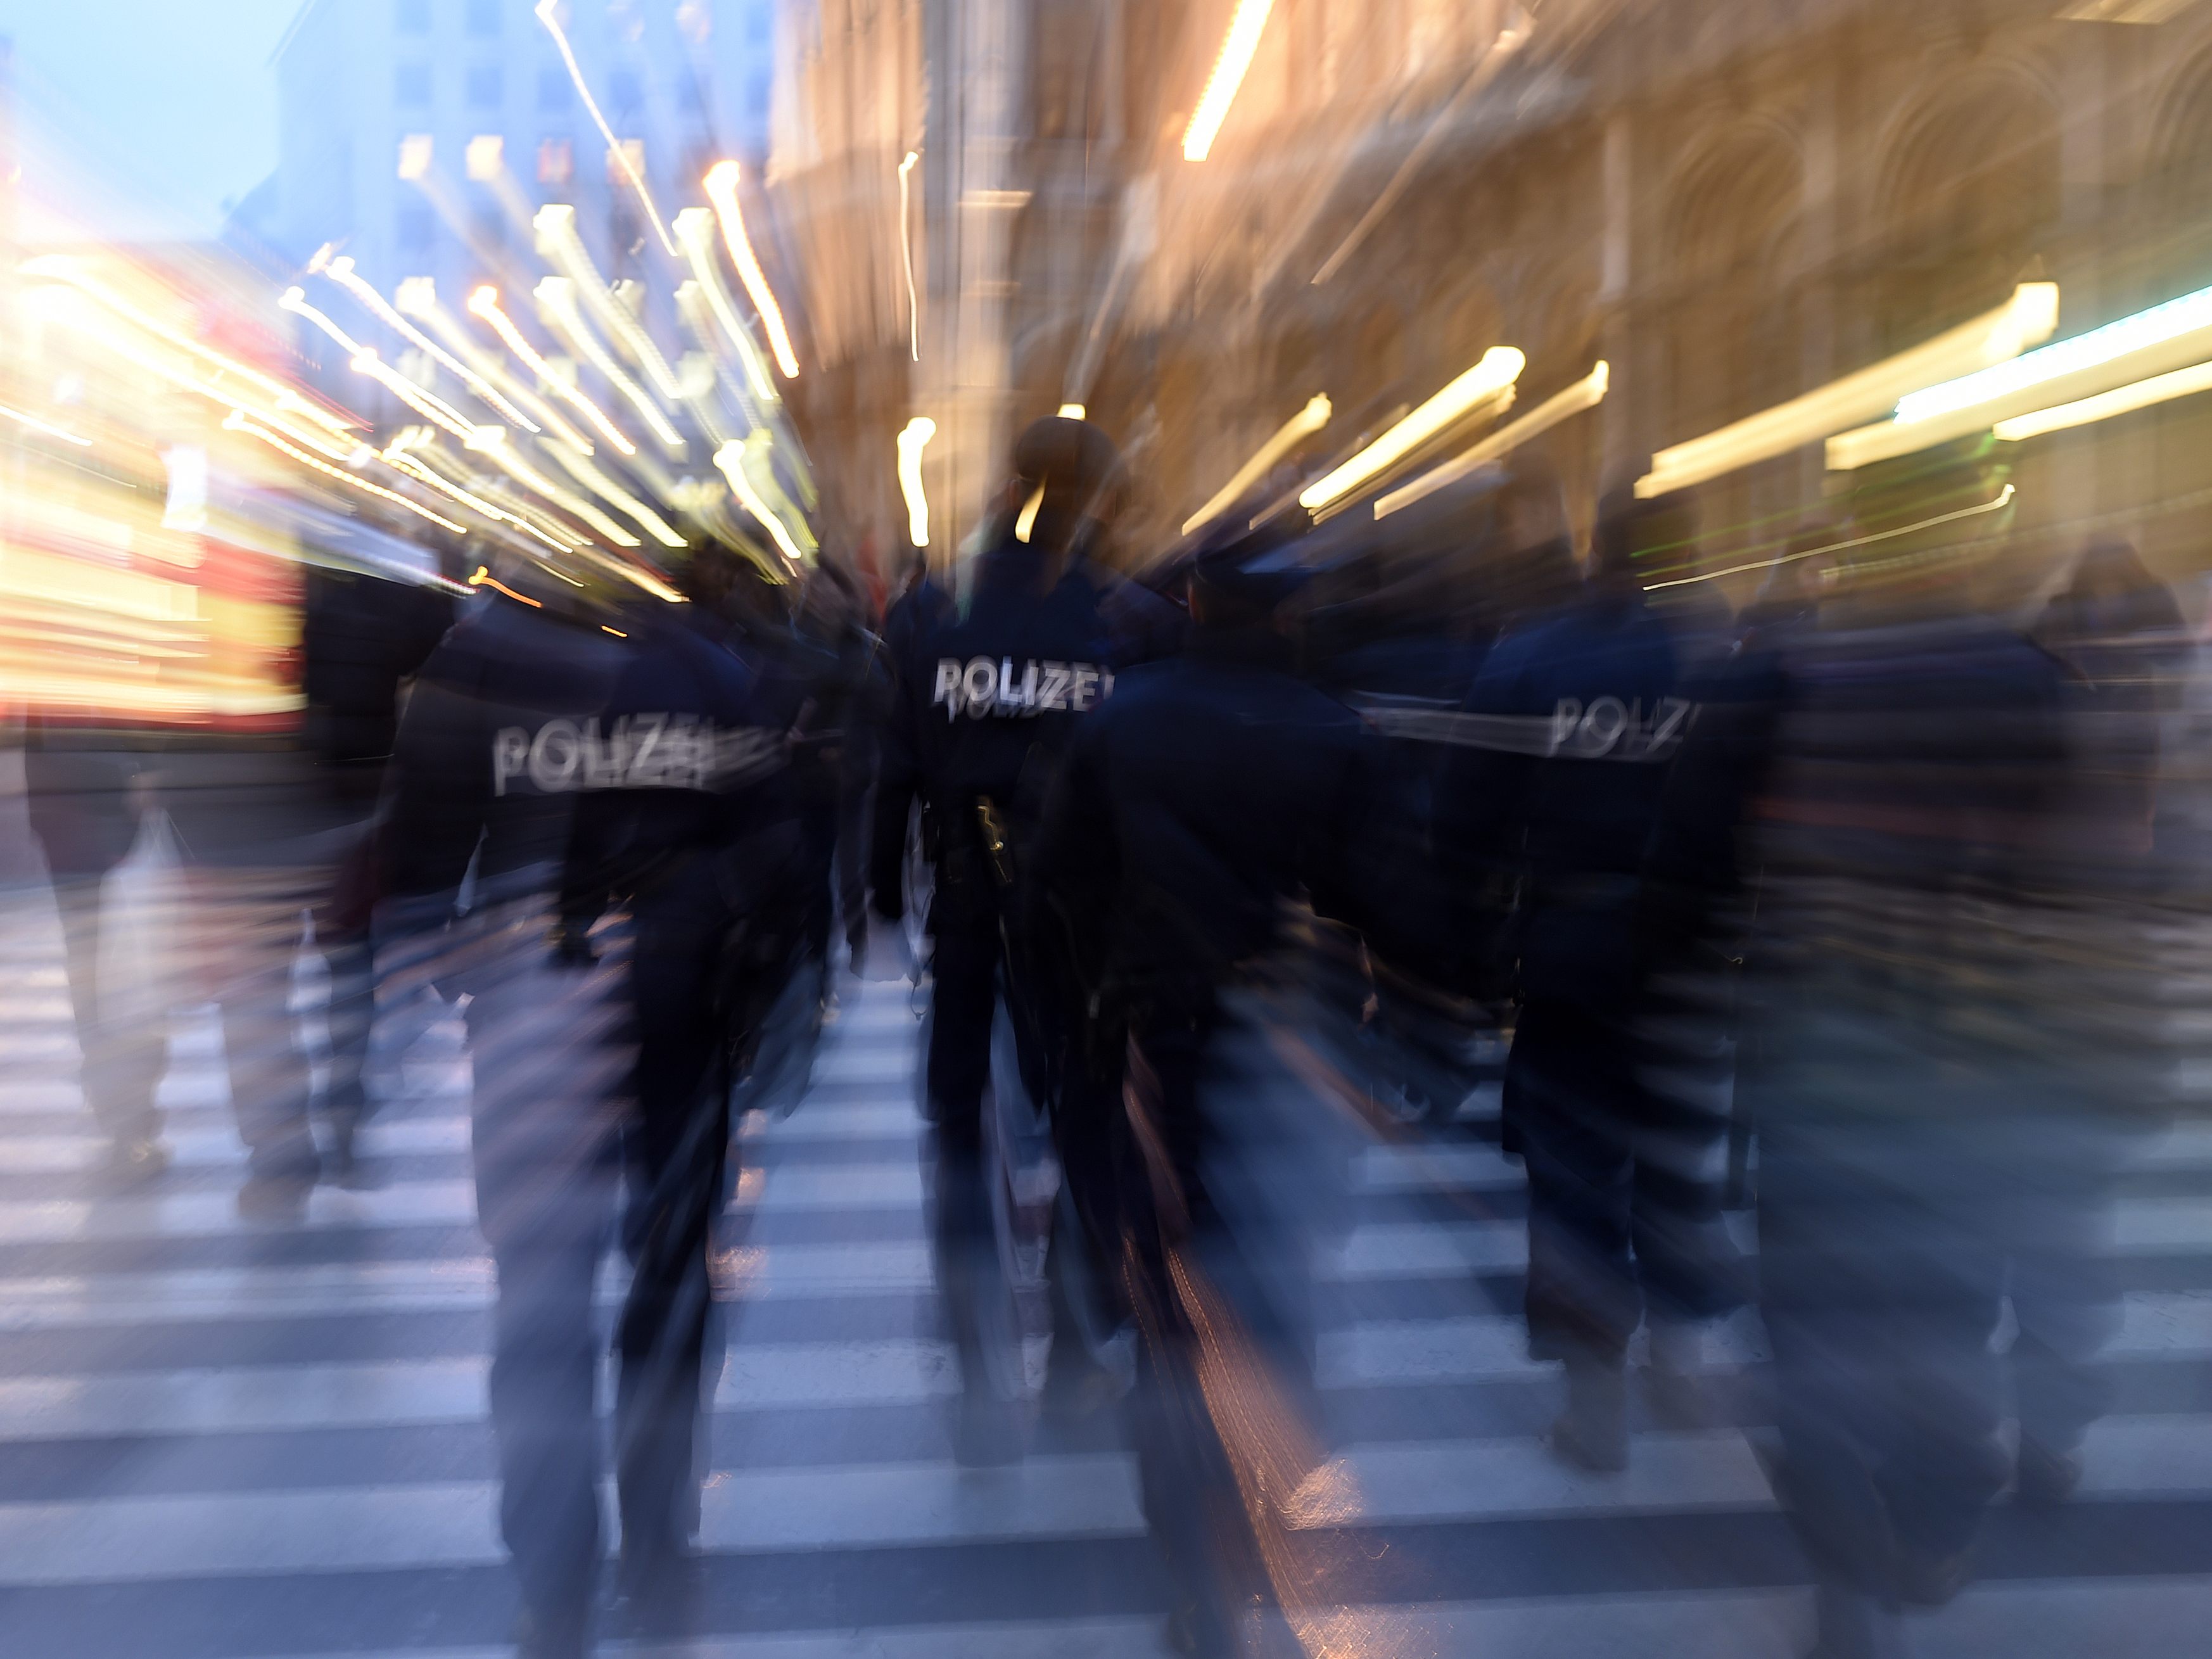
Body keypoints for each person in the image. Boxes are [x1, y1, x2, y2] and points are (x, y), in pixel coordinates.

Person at [1033, 533, 1379, 1656]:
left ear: (1190, 603)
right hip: (1285, 1047)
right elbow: (1394, 905)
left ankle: (1197, 1569)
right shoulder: (1332, 731)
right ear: (1288, 616)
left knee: (1174, 1310)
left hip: (1152, 1040)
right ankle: (1261, 1500)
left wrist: (1091, 1018)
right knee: (1273, 1283)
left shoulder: (1122, 719)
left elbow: (1056, 887)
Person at [1435, 483, 1743, 1473]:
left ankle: (1593, 1399)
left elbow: (1465, 820)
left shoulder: (1529, 655)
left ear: (1591, 549)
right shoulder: (1719, 661)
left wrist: (1470, 946)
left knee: (1571, 1170)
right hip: (1689, 955)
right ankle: (1684, 1357)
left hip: (1567, 946)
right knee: (1677, 1153)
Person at [869, 414, 1123, 1462]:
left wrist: (883, 892)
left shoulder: (935, 610)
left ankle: (979, 1369)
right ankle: (1065, 1361)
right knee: (1081, 1122)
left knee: (960, 1127)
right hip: (1081, 913)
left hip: (969, 903)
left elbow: (892, 762)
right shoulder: (1117, 617)